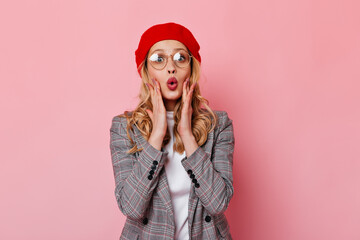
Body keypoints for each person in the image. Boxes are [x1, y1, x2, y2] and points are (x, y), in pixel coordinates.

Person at [109, 22, 235, 240]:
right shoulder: (125, 128)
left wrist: (187, 135)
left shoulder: (218, 125)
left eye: (180, 58)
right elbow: (131, 207)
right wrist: (157, 135)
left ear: (191, 68)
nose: (171, 67)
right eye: (159, 59)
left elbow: (218, 203)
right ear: (145, 70)